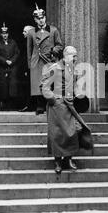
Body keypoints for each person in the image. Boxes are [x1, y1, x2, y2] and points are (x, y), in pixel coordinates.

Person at [41, 46, 93, 174]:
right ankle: (58, 161)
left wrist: (78, 96)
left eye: (76, 56)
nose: (76, 58)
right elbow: (44, 86)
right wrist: (53, 99)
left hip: (70, 105)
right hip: (57, 106)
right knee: (57, 134)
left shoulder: (72, 69)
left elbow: (74, 86)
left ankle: (68, 158)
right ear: (65, 56)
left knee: (74, 131)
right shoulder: (55, 68)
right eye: (73, 56)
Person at [26, 5, 63, 115]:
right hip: (37, 61)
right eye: (38, 18)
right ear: (35, 19)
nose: (41, 20)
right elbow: (29, 50)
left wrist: (53, 50)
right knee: (38, 84)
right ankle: (40, 105)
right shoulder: (31, 32)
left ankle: (50, 104)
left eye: (42, 18)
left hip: (49, 60)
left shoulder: (53, 30)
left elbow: (60, 45)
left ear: (45, 18)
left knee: (49, 82)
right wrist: (30, 64)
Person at [0, 24, 20, 110]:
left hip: (12, 67)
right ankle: (2, 102)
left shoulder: (13, 42)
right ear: (1, 34)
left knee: (12, 85)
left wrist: (12, 61)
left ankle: (12, 103)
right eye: (3, 33)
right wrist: (5, 61)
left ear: (8, 34)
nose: (5, 35)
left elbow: (17, 53)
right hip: (2, 67)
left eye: (6, 33)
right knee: (2, 85)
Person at [19, 25, 34, 112]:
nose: (23, 33)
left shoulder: (32, 43)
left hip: (30, 68)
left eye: (25, 31)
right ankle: (28, 105)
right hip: (26, 68)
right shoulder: (25, 42)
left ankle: (30, 105)